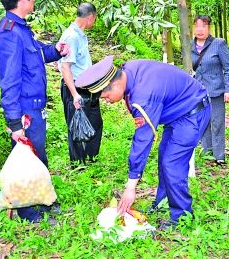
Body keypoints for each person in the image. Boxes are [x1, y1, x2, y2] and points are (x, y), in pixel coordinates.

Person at [75, 57, 212, 230]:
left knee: (172, 163)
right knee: (164, 156)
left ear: (116, 85)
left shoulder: (143, 96)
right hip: (180, 110)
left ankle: (182, 217)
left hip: (193, 112)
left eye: (106, 96)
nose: (107, 101)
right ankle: (163, 202)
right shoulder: (129, 70)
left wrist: (130, 186)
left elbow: (143, 140)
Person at [0, 0, 69, 223]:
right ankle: (27, 211)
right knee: (27, 157)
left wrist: (55, 51)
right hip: (25, 109)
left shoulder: (22, 30)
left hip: (35, 107)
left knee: (38, 156)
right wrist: (14, 122)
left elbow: (35, 58)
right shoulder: (8, 34)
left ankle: (41, 200)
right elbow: (10, 80)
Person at [58, 3, 102, 166]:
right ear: (90, 16)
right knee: (77, 127)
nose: (94, 22)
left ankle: (90, 160)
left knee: (94, 123)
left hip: (87, 88)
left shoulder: (80, 35)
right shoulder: (72, 36)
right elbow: (65, 67)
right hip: (74, 88)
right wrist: (74, 94)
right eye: (94, 19)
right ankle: (78, 164)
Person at [191, 15, 229, 165]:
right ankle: (207, 152)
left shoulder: (218, 44)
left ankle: (219, 156)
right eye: (197, 26)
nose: (200, 29)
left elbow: (228, 68)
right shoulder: (189, 45)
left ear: (209, 28)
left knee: (217, 123)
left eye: (203, 26)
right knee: (203, 123)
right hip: (198, 93)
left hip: (216, 91)